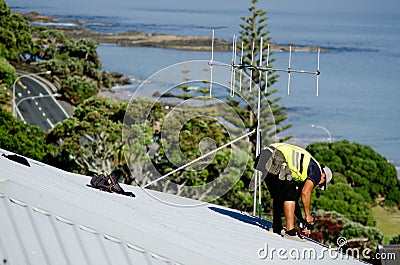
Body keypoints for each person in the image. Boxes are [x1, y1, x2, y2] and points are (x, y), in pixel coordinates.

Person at [254, 143, 332, 241]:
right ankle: (290, 232)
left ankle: (276, 227)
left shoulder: (302, 172)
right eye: (321, 183)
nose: (317, 185)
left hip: (264, 156)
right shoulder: (317, 172)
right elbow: (305, 193)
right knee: (288, 193)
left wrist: (302, 221)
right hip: (276, 157)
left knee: (280, 195)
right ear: (323, 175)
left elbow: (294, 200)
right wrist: (308, 215)